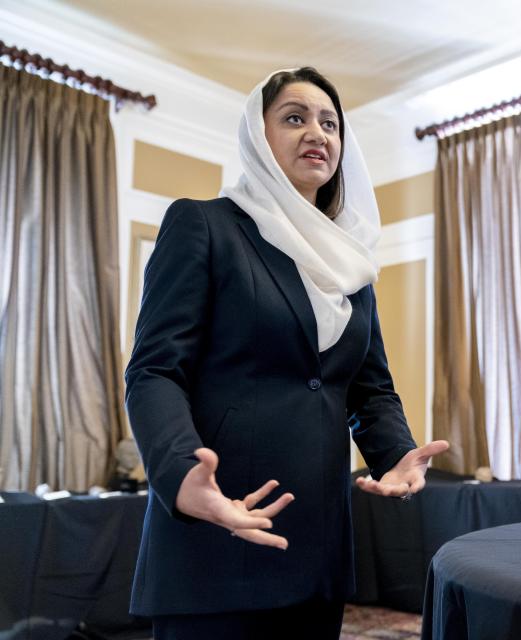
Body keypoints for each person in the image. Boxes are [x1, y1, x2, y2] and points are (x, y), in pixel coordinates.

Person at [125, 67, 449, 639]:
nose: (316, 133)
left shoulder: (352, 265)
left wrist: (394, 453)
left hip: (318, 545)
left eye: (330, 123)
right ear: (258, 136)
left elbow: (368, 388)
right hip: (220, 528)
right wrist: (178, 476)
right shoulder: (204, 225)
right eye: (294, 118)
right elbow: (154, 371)